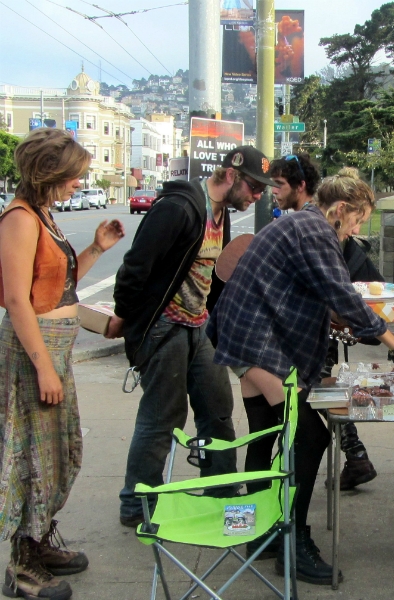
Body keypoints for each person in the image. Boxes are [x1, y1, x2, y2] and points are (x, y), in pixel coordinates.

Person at [207, 171, 394, 586]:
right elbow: (345, 297)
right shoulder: (315, 229)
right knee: (311, 436)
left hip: (243, 333)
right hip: (257, 341)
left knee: (264, 434)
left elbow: (316, 294)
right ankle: (292, 542)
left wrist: (342, 323)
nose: (356, 231)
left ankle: (254, 533)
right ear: (340, 210)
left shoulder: (298, 222)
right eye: (357, 221)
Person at [106, 146, 276, 527]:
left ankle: (220, 494)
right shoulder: (179, 208)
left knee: (218, 412)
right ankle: (137, 503)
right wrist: (127, 320)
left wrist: (223, 321)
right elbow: (134, 267)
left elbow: (213, 277)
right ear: (231, 176)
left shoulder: (221, 214)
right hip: (163, 326)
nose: (258, 195)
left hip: (199, 325)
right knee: (163, 417)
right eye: (254, 186)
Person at [0, 128, 125, 600]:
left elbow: (59, 286)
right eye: (74, 175)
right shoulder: (19, 219)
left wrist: (95, 249)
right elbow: (17, 300)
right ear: (49, 171)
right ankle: (23, 565)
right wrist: (43, 368)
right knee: (33, 458)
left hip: (53, 351)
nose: (79, 183)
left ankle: (38, 539)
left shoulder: (42, 215)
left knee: (59, 454)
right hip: (34, 355)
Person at [270, 156, 382, 489]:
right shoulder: (311, 224)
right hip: (307, 331)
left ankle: (287, 489)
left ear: (301, 186)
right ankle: (355, 454)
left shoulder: (316, 227)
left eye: (279, 185)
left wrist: (383, 336)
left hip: (301, 336)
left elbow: (337, 291)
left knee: (306, 405)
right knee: (316, 397)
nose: (273, 192)